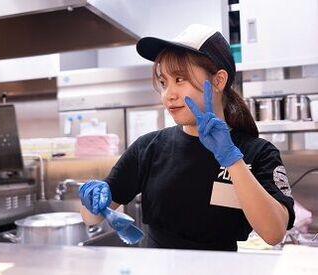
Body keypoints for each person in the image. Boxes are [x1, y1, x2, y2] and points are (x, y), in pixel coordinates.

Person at [79, 24, 295, 251]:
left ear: (218, 80)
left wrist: (232, 160)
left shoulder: (256, 152)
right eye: (164, 83)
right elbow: (92, 218)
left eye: (180, 79)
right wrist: (91, 201)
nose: (168, 95)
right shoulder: (149, 147)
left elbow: (274, 233)